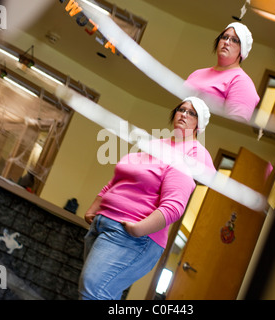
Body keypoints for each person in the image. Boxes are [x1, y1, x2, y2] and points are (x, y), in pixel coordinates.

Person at [78, 97, 215, 300]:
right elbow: (118, 178)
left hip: (131, 236)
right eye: (181, 109)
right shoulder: (156, 144)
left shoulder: (195, 153)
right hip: (102, 224)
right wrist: (94, 208)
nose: (183, 114)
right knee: (101, 293)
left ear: (199, 124)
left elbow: (174, 205)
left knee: (94, 292)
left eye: (191, 113)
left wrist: (138, 229)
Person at [185, 22, 260, 123]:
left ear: (242, 50)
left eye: (234, 40)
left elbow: (232, 126)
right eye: (224, 37)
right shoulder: (197, 73)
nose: (227, 42)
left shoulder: (242, 82)